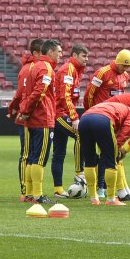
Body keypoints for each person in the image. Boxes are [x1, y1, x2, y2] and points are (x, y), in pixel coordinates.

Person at [15, 39, 62, 204]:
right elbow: (39, 92)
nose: (60, 55)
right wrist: (26, 111)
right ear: (50, 52)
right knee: (39, 159)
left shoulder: (33, 67)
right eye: (58, 52)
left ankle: (29, 193)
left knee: (32, 157)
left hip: (32, 119)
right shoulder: (46, 68)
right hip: (42, 118)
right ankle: (38, 195)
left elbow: (26, 93)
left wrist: (24, 112)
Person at [83, 49, 130, 198]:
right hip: (100, 119)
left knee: (110, 153)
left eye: (128, 66)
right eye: (123, 65)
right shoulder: (102, 73)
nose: (125, 69)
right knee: (104, 153)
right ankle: (101, 188)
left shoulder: (125, 76)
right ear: (117, 62)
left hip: (113, 120)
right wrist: (90, 110)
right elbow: (89, 94)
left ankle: (113, 188)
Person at [79, 94, 130, 206]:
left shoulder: (111, 106)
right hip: (103, 120)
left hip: (84, 119)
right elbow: (128, 129)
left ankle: (94, 199)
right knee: (111, 161)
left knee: (89, 161)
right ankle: (111, 199)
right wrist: (118, 147)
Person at [7, 38, 44, 200]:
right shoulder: (33, 68)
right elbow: (23, 93)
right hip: (29, 117)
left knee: (29, 154)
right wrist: (16, 109)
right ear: (36, 53)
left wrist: (12, 109)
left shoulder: (28, 68)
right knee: (29, 155)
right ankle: (26, 191)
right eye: (43, 52)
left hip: (30, 116)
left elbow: (19, 94)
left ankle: (27, 190)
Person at [51, 44, 89, 199]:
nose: (86, 59)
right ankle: (79, 173)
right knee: (82, 135)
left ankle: (58, 189)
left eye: (87, 56)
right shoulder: (68, 69)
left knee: (59, 153)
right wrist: (74, 117)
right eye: (84, 56)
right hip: (59, 113)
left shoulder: (76, 71)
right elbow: (65, 96)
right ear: (74, 55)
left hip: (60, 113)